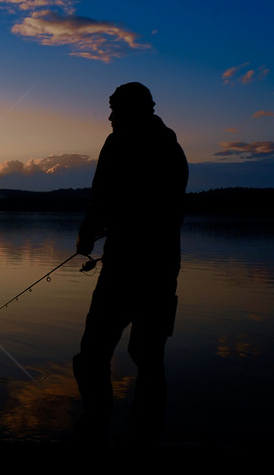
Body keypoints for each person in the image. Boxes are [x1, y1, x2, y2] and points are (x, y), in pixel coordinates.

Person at [72, 82, 188, 446]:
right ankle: (144, 438)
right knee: (148, 357)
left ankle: (94, 426)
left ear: (132, 110)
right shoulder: (172, 147)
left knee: (93, 353)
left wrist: (87, 236)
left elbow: (101, 197)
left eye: (114, 110)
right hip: (162, 268)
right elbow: (165, 209)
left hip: (125, 270)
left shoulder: (118, 143)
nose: (109, 118)